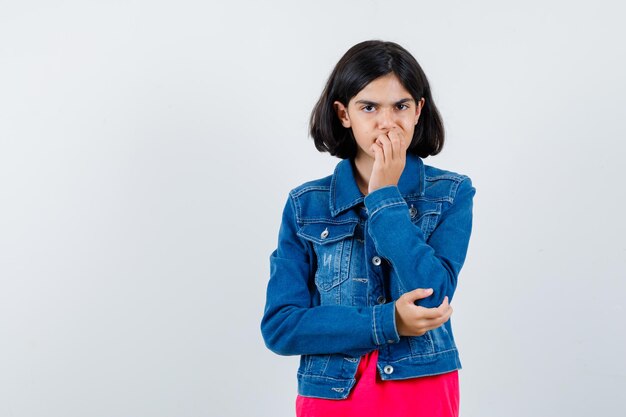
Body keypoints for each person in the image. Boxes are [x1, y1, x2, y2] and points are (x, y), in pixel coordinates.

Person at [260, 40, 476, 417]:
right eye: (369, 107)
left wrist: (385, 199)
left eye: (401, 106)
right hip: (331, 394)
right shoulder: (305, 204)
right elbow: (281, 326)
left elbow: (432, 300)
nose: (387, 121)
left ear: (418, 111)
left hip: (420, 389)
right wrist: (387, 322)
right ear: (344, 114)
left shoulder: (451, 193)